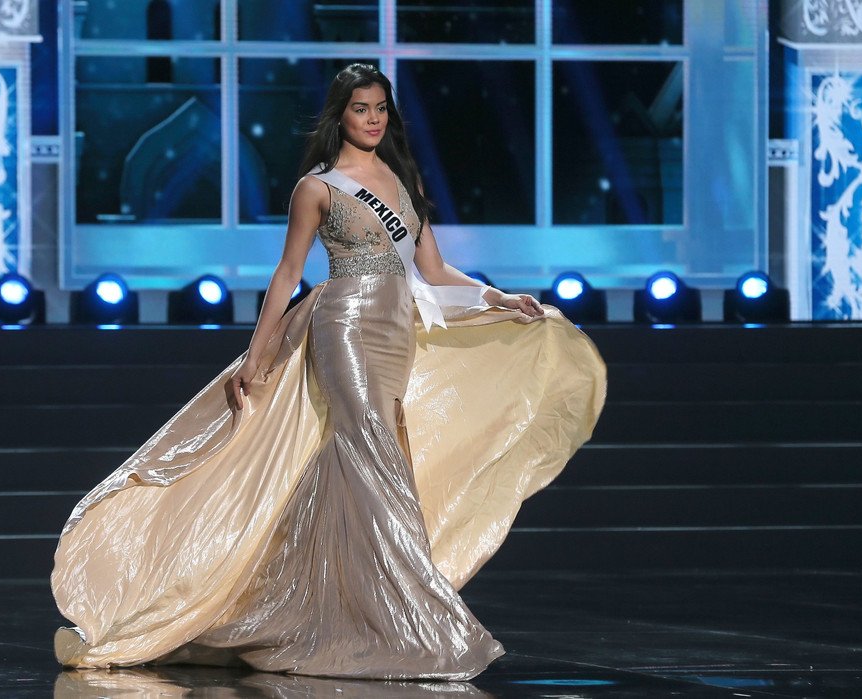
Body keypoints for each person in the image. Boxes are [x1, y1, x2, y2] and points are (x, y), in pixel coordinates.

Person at [51, 63, 606, 681]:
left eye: (381, 108)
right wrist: (256, 357)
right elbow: (288, 273)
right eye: (360, 108)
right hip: (344, 325)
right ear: (339, 115)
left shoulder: (404, 179)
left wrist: (495, 297)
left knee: (373, 459)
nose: (372, 119)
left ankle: (327, 609)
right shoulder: (317, 187)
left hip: (397, 331)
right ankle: (413, 614)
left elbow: (434, 271)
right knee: (373, 454)